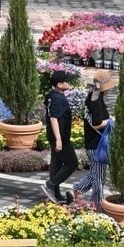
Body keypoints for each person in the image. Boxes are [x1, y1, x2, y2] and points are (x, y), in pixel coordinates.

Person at [72, 70, 114, 205]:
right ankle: (97, 204)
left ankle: (77, 190)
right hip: (97, 145)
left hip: (93, 143)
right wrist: (111, 121)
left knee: (95, 172)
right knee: (100, 177)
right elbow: (97, 124)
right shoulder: (96, 103)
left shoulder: (92, 97)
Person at [45, 71, 78, 203]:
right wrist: (59, 139)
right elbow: (54, 119)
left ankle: (55, 194)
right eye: (67, 81)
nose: (69, 83)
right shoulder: (59, 98)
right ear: (59, 84)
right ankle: (51, 185)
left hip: (53, 135)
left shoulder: (52, 96)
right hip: (60, 137)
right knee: (72, 162)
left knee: (57, 163)